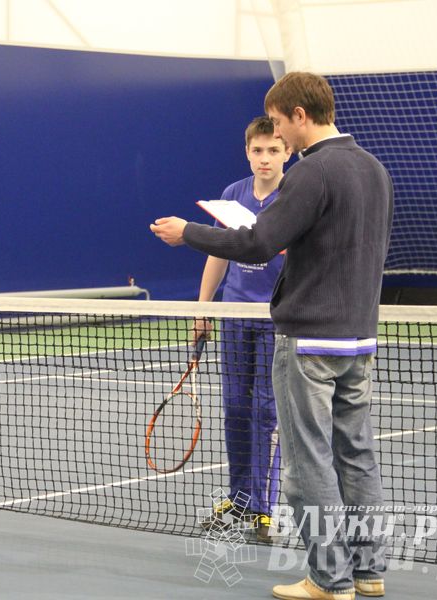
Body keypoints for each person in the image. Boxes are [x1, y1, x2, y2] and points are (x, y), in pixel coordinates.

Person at [151, 72, 392, 600]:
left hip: (308, 342)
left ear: (300, 116)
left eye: (280, 123)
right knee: (356, 456)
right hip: (359, 340)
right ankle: (368, 571)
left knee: (307, 465)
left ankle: (329, 580)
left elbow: (259, 242)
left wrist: (188, 233)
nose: (277, 133)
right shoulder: (374, 169)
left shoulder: (310, 173)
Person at [195, 116, 290, 543]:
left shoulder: (294, 195)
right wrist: (203, 308)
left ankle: (263, 508)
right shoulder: (234, 193)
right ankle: (239, 497)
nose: (265, 158)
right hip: (234, 315)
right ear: (247, 152)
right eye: (257, 150)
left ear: (288, 152)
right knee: (235, 408)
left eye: (273, 150)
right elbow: (219, 252)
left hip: (275, 319)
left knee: (265, 412)